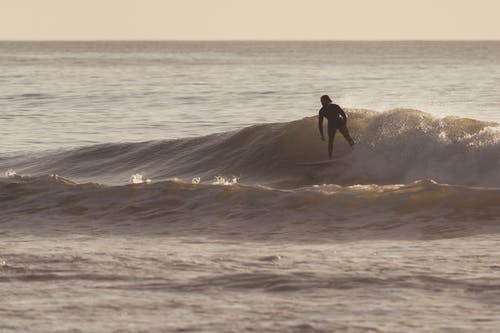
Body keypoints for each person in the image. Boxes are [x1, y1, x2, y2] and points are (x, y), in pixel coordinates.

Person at [318, 95, 355, 159]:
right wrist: (322, 135)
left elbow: (344, 115)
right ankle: (330, 158)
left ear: (327, 100)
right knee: (331, 141)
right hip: (331, 125)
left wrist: (344, 123)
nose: (322, 103)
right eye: (321, 101)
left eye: (323, 101)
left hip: (340, 123)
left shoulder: (335, 106)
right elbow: (320, 124)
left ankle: (355, 150)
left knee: (347, 137)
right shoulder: (322, 111)